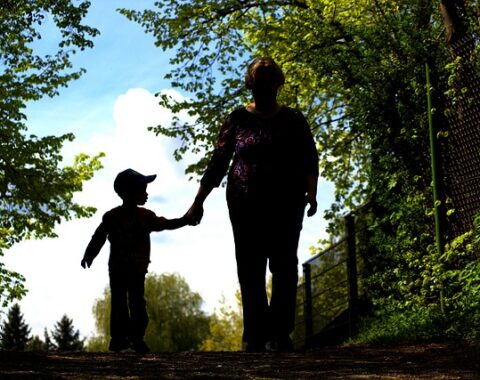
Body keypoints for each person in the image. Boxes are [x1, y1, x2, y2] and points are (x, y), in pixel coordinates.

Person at [186, 57, 319, 352]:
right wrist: (198, 201)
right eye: (259, 79)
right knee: (250, 266)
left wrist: (312, 193)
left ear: (278, 83)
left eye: (270, 79)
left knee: (284, 265)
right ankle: (256, 335)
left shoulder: (294, 120)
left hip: (287, 203)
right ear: (250, 84)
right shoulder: (237, 119)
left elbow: (309, 157)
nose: (264, 85)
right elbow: (219, 161)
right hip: (244, 203)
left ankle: (280, 334)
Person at [81, 168, 192, 354]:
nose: (146, 194)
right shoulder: (114, 217)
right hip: (118, 269)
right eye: (143, 190)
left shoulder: (145, 217)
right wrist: (89, 254)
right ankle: (119, 339)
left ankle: (135, 338)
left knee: (136, 304)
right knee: (120, 304)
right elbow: (98, 237)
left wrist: (185, 220)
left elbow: (166, 224)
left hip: (136, 270)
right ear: (129, 193)